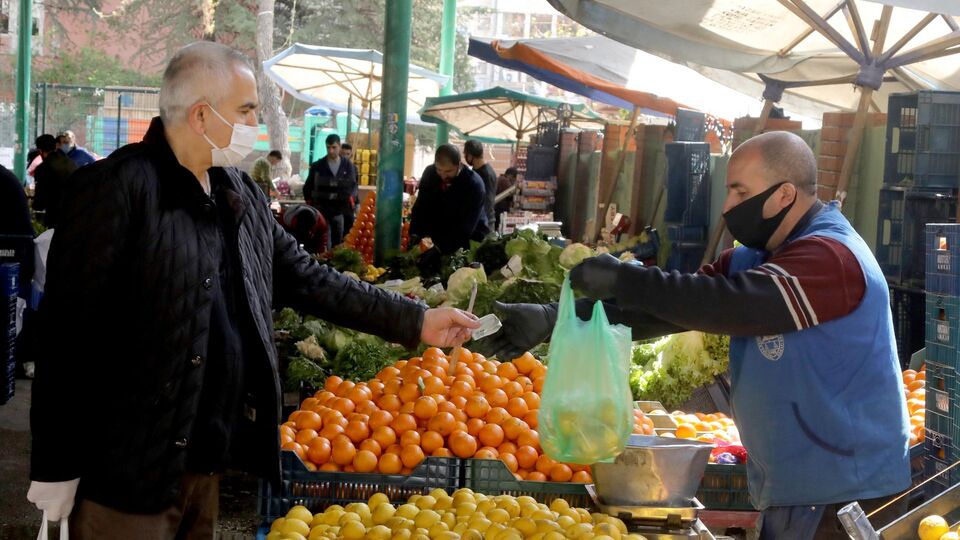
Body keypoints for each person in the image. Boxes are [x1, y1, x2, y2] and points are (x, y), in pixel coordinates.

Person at [26, 41, 480, 540]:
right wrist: (55, 467)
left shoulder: (236, 193)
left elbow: (310, 278)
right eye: (246, 111)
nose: (255, 125)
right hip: (126, 473)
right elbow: (66, 337)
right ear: (202, 115)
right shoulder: (117, 188)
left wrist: (416, 320)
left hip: (204, 459)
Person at [480, 131, 910, 540]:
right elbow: (675, 308)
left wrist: (623, 278)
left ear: (784, 195)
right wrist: (558, 317)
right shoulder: (755, 256)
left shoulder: (832, 257)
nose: (727, 205)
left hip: (844, 493)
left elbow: (730, 304)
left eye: (741, 192)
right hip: (798, 484)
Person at [409, 144, 490, 254]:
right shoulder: (430, 173)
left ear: (459, 165)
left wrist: (440, 249)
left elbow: (465, 228)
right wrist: (415, 233)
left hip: (470, 237)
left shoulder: (474, 184)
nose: (443, 176)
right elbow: (421, 207)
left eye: (448, 171)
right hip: (439, 233)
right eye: (439, 170)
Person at [303, 134, 357, 248]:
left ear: (339, 146)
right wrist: (310, 203)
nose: (331, 150)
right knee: (324, 242)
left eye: (334, 147)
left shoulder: (349, 166)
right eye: (328, 147)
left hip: (340, 210)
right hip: (322, 210)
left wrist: (353, 201)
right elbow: (308, 186)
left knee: (339, 242)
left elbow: (353, 186)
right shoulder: (317, 166)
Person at [32, 134, 77, 228]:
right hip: (75, 213)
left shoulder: (43, 168)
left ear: (40, 151)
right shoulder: (69, 162)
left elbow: (39, 203)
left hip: (55, 216)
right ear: (55, 146)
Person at [464, 140, 496, 228]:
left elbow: (487, 201)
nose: (465, 157)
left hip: (484, 223)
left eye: (465, 154)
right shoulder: (478, 171)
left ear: (470, 155)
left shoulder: (485, 174)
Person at [339, 142, 360, 236]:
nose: (345, 156)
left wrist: (356, 202)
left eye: (347, 154)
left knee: (349, 230)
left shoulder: (354, 169)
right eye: (343, 154)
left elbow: (355, 186)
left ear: (351, 155)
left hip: (349, 205)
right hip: (337, 205)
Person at [495, 167, 518, 231]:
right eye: (514, 178)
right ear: (510, 175)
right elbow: (511, 193)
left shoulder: (500, 179)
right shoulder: (504, 180)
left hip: (497, 209)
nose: (514, 180)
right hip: (499, 210)